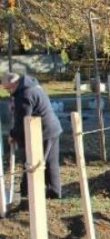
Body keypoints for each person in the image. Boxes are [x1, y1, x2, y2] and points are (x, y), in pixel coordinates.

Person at [1, 72, 63, 200]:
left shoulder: (24, 95)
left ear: (13, 84)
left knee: (32, 163)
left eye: (7, 89)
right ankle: (54, 193)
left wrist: (13, 135)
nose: (8, 92)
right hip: (52, 128)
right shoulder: (32, 86)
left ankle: (27, 194)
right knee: (51, 163)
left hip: (42, 132)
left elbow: (23, 121)